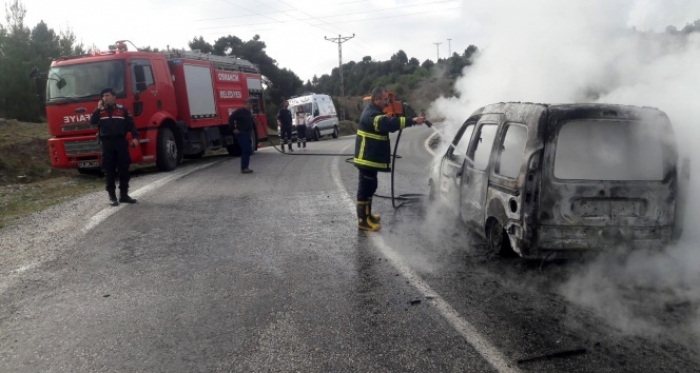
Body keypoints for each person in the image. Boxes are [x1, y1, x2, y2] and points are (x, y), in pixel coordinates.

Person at [353, 87, 425, 231]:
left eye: (388, 99)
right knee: (365, 189)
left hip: (370, 159)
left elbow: (389, 121)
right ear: (376, 100)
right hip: (366, 159)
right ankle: (362, 221)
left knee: (371, 187)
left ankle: (368, 216)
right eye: (385, 99)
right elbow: (389, 124)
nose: (387, 102)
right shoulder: (372, 115)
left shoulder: (375, 112)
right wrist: (412, 121)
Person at [90, 87, 139, 206]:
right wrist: (98, 109)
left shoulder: (122, 110)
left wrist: (135, 137)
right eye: (103, 96)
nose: (105, 98)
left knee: (124, 169)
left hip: (121, 142)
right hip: (107, 144)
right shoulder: (99, 111)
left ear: (114, 97)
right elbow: (92, 121)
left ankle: (124, 195)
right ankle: (112, 196)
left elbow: (131, 125)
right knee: (109, 170)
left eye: (107, 95)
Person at [228, 98, 256, 173]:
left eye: (251, 104)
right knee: (246, 150)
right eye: (248, 104)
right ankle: (244, 168)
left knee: (249, 150)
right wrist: (233, 129)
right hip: (242, 133)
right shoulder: (240, 111)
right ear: (244, 104)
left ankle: (246, 166)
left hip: (248, 133)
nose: (250, 106)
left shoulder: (249, 112)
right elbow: (231, 118)